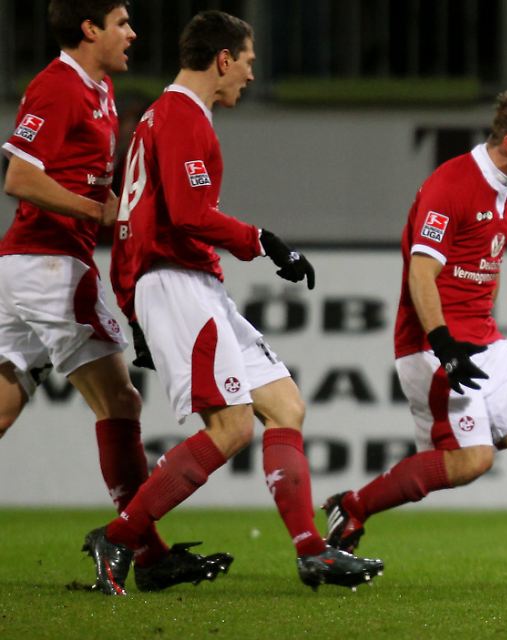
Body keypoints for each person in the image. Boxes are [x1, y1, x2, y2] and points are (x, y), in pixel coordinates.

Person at [83, 9, 383, 595]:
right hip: (177, 283)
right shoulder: (181, 116)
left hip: (184, 282)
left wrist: (130, 302)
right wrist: (265, 242)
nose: (250, 74)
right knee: (231, 427)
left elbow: (131, 222)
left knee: (286, 405)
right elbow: (191, 216)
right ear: (223, 59)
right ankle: (119, 537)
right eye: (247, 61)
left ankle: (312, 552)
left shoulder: (159, 118)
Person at [321, 88, 507, 587]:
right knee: (471, 461)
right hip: (433, 344)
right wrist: (444, 343)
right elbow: (422, 274)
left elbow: (488, 265)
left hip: (482, 338)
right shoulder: (453, 185)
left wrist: (484, 328)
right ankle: (352, 507)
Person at [0, 0, 232, 593]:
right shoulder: (59, 87)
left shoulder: (98, 90)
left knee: (3, 407)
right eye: (121, 22)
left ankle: (146, 553)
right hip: (49, 266)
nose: (132, 33)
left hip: (27, 267)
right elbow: (18, 179)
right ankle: (144, 553)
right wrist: (102, 210)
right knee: (121, 404)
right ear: (89, 29)